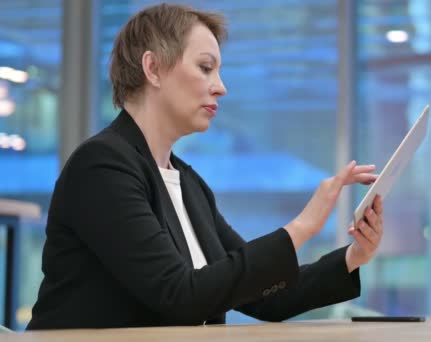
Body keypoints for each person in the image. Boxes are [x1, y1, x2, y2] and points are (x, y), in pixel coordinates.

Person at [27, 3, 384, 330]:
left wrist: (354, 255)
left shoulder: (188, 183)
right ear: (153, 68)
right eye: (205, 67)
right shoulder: (102, 168)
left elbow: (263, 295)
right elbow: (179, 295)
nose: (221, 88)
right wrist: (303, 226)